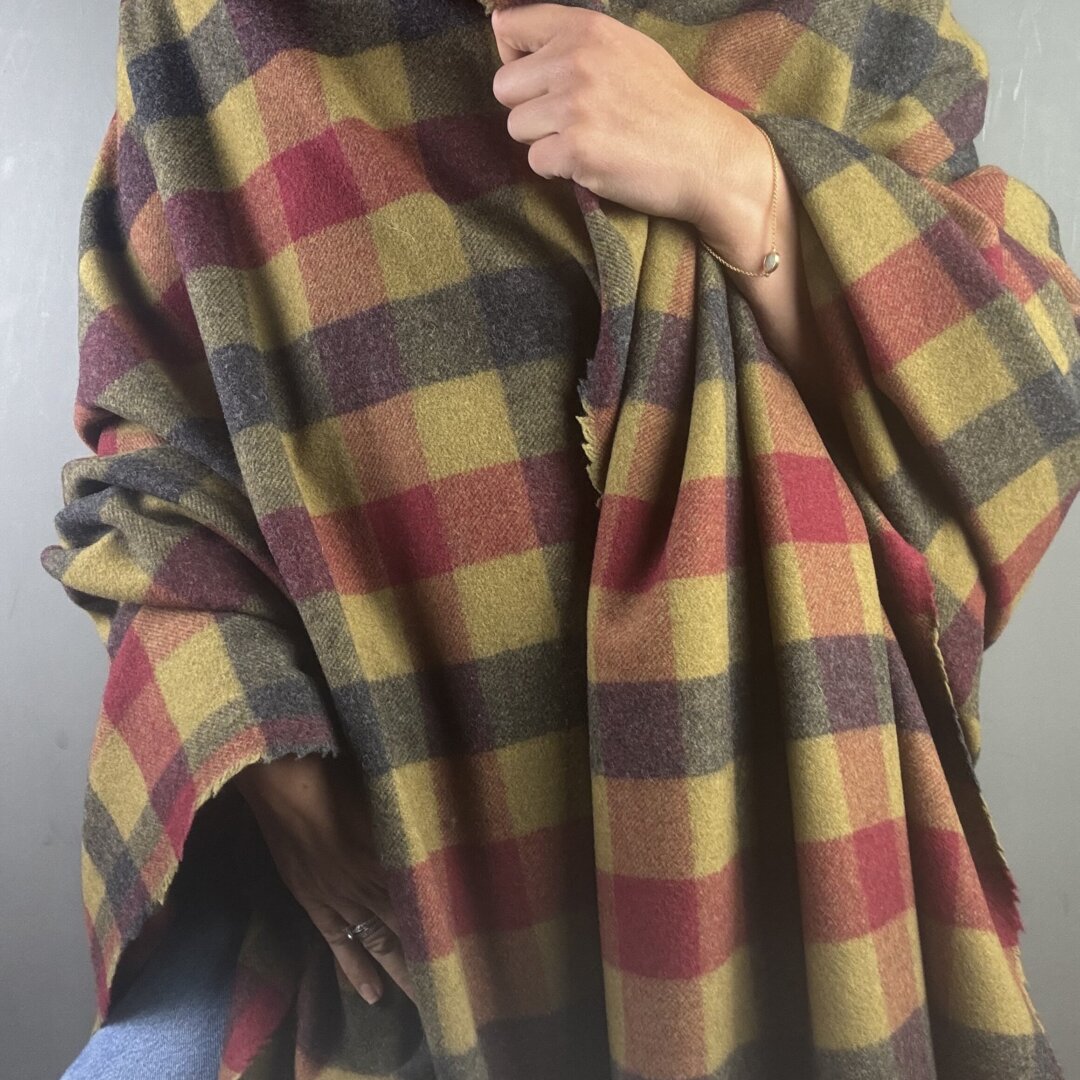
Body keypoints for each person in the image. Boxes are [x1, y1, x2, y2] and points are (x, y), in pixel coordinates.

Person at [46, 1, 1078, 1077]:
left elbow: (1026, 395)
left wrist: (743, 178)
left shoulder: (850, 17)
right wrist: (267, 762)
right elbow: (148, 442)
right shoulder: (204, 25)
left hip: (784, 816)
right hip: (395, 872)